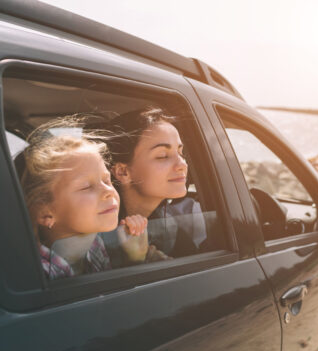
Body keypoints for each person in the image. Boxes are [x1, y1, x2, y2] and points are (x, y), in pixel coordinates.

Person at [20, 119, 149, 279]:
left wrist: (134, 259)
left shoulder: (94, 245)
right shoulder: (37, 276)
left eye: (107, 180)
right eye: (86, 187)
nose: (109, 190)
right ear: (45, 213)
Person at [102, 108, 208, 263]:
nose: (182, 164)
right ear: (123, 172)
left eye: (181, 152)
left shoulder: (169, 228)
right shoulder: (98, 240)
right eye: (162, 156)